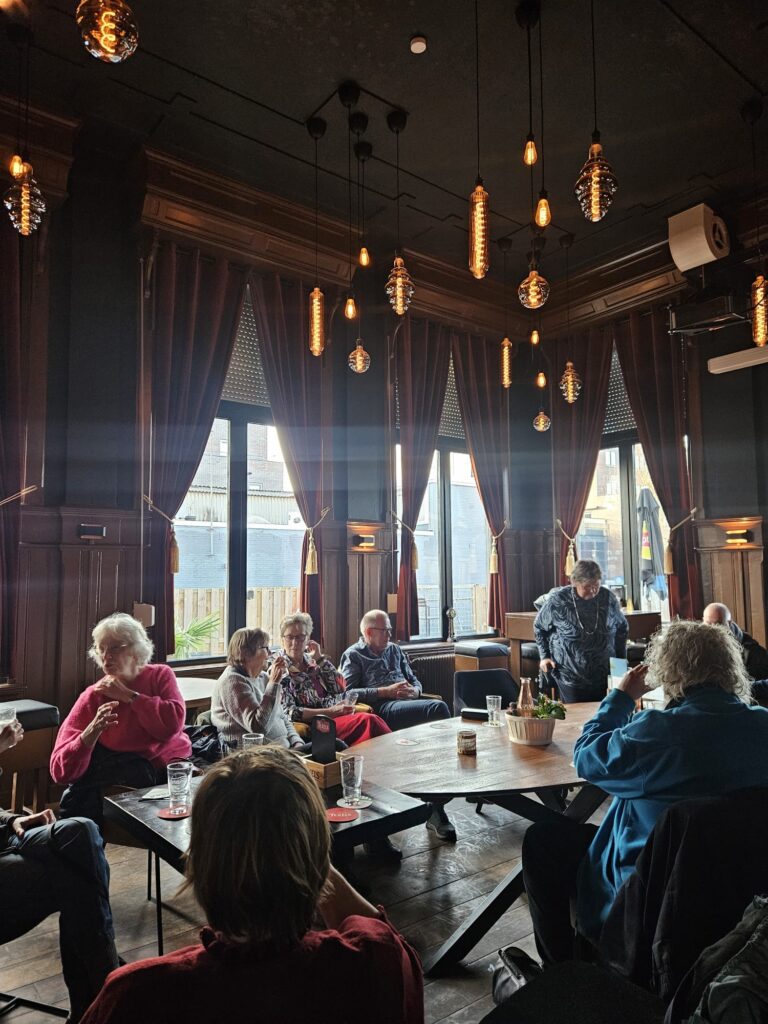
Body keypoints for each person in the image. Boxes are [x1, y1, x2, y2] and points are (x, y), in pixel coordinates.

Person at [80, 746, 425, 1024]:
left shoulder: (134, 997)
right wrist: (311, 859)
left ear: (199, 859)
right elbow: (385, 941)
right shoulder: (374, 966)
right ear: (320, 857)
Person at [521, 620, 768, 967]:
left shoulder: (657, 733)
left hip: (646, 892)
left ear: (668, 670)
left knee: (542, 841)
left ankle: (563, 971)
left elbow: (586, 757)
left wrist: (621, 697)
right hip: (739, 894)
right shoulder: (762, 724)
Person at [0, 718, 118, 1022]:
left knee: (80, 832)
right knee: (77, 873)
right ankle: (105, 992)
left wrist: (11, 819)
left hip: (5, 835)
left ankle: (96, 1001)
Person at [51, 612, 191, 827]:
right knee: (81, 799)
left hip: (169, 776)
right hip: (124, 788)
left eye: (116, 647)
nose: (106, 656)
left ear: (136, 650)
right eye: (101, 648)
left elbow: (171, 727)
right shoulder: (94, 696)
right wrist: (89, 734)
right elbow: (60, 771)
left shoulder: (160, 675)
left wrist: (129, 696)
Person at [339, 609, 456, 841]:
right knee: (438, 709)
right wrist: (385, 691)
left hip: (407, 702)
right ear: (369, 632)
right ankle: (436, 802)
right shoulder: (353, 655)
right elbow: (347, 693)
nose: (390, 634)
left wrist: (417, 691)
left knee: (437, 708)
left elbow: (413, 679)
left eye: (390, 630)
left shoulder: (394, 650)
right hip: (383, 707)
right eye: (386, 630)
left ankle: (440, 784)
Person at [277, 612, 391, 746]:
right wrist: (330, 712)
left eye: (300, 637)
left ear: (308, 639)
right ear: (282, 639)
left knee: (374, 720)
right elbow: (289, 712)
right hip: (316, 724)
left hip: (336, 714)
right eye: (290, 637)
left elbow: (340, 688)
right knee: (369, 722)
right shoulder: (280, 668)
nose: (295, 642)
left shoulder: (312, 661)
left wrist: (320, 660)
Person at [534, 559, 628, 703]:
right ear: (575, 582)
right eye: (587, 586)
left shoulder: (607, 598)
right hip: (570, 674)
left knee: (604, 716)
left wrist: (620, 663)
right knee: (576, 720)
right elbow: (539, 627)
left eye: (596, 584)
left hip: (604, 674)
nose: (593, 590)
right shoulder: (558, 601)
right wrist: (544, 656)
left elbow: (622, 628)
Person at [211, 627, 306, 752]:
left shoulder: (263, 677)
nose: (270, 653)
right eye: (266, 648)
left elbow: (281, 718)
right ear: (247, 653)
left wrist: (296, 741)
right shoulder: (232, 682)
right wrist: (274, 683)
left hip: (285, 751)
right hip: (254, 757)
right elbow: (258, 728)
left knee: (334, 746)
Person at [703, 602, 768, 703]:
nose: (712, 629)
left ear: (729, 623)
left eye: (718, 624)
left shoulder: (755, 654)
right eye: (708, 624)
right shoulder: (698, 649)